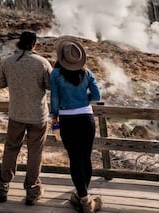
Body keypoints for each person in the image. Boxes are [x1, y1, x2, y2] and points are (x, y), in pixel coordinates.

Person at [0, 30, 52, 205]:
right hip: (38, 116)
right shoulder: (42, 63)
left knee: (11, 149)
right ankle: (32, 191)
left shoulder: (8, 61)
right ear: (34, 44)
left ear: (19, 42)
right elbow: (50, 86)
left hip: (16, 114)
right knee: (35, 153)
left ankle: (2, 187)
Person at [50, 37, 102, 213]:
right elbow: (97, 96)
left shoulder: (56, 74)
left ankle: (84, 198)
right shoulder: (87, 73)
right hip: (86, 118)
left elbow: (54, 98)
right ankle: (83, 197)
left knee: (74, 158)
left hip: (68, 120)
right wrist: (83, 99)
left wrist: (54, 116)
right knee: (86, 157)